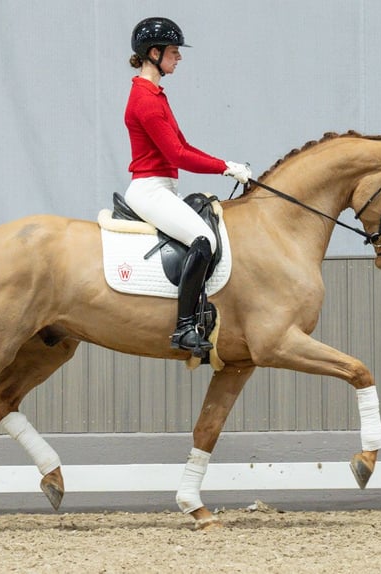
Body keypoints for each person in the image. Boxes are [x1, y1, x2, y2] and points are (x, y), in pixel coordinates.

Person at [124, 16, 251, 355]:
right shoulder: (146, 100)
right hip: (149, 188)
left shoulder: (155, 94)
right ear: (154, 53)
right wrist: (224, 168)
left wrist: (228, 164)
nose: (178, 57)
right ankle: (183, 328)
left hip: (162, 187)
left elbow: (186, 146)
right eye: (174, 51)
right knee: (203, 238)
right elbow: (178, 155)